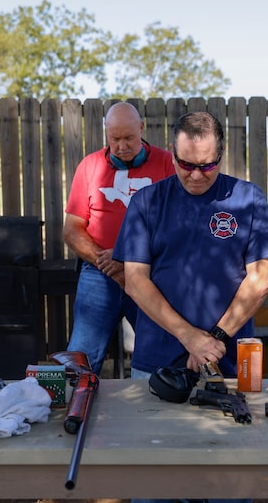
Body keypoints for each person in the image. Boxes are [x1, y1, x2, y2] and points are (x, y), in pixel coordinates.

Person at [113, 111, 268, 378]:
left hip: (229, 360)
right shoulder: (147, 202)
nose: (197, 175)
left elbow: (262, 279)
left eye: (207, 165)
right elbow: (135, 281)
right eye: (186, 165)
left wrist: (212, 341)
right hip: (158, 360)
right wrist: (189, 337)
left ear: (222, 153)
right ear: (172, 153)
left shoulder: (248, 199)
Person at [64, 101, 175, 374]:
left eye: (129, 138)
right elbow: (71, 231)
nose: (122, 146)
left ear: (142, 129)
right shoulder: (89, 166)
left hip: (151, 273)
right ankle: (73, 411)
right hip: (99, 273)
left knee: (161, 354)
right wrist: (111, 264)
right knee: (80, 357)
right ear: (106, 134)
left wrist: (129, 261)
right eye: (115, 139)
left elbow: (176, 226)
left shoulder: (166, 164)